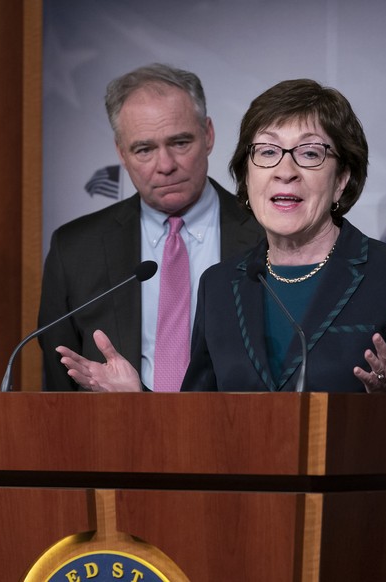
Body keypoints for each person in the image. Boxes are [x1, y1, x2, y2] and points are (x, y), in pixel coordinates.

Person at [56, 79, 386, 395]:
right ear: (246, 176)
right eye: (267, 151)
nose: (284, 171)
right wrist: (136, 400)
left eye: (309, 154)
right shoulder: (221, 285)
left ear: (342, 178)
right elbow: (199, 430)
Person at [38, 63, 262, 392]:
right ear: (121, 152)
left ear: (208, 135)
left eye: (181, 143)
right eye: (144, 149)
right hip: (114, 436)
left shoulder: (268, 236)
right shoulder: (74, 249)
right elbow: (61, 389)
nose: (166, 165)